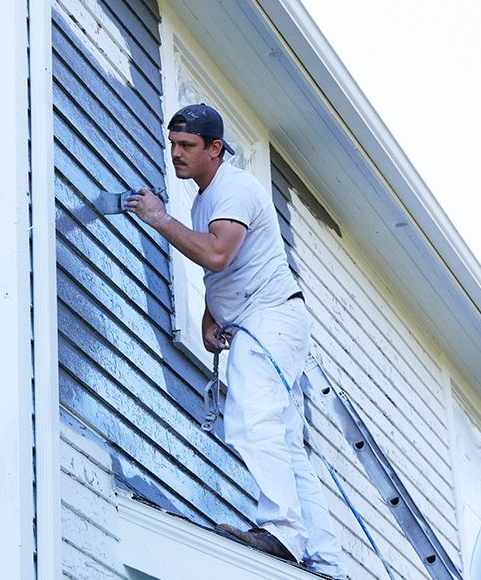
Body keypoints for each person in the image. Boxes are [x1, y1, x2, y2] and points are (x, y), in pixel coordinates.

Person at [126, 104, 346, 579]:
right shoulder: (208, 197)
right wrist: (209, 314)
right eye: (173, 143)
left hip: (269, 320)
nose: (175, 154)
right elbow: (231, 264)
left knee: (252, 419)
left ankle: (282, 532)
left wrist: (160, 219)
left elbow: (219, 254)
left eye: (187, 146)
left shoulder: (235, 187)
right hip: (265, 321)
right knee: (284, 441)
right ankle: (324, 559)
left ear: (215, 149)